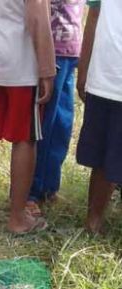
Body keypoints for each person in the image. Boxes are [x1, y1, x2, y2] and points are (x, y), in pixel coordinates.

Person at [0, 0, 55, 234]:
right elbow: (38, 17)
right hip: (21, 61)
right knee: (24, 138)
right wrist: (47, 67)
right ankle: (17, 217)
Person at [28, 0, 86, 212]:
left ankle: (49, 186)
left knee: (61, 125)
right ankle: (32, 192)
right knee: (46, 126)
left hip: (71, 50)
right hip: (51, 49)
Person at [75, 0, 122, 233]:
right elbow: (93, 15)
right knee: (102, 157)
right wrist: (84, 69)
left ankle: (94, 220)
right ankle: (93, 221)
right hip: (104, 80)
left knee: (106, 158)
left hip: (104, 79)